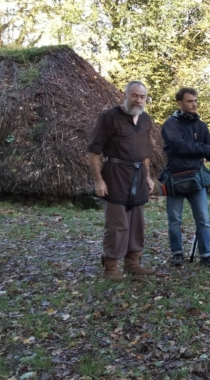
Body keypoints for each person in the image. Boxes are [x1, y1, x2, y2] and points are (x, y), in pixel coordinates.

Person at [88, 81, 156, 279]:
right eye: (134, 95)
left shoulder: (145, 119)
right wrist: (99, 181)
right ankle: (111, 266)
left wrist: (148, 176)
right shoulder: (109, 117)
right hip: (115, 174)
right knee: (117, 223)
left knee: (137, 222)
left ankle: (132, 262)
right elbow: (93, 152)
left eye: (142, 97)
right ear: (125, 96)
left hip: (138, 175)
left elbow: (145, 153)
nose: (138, 100)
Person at [160, 88, 210, 269]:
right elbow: (180, 146)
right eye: (190, 101)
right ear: (179, 103)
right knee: (175, 220)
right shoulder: (170, 125)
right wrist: (206, 150)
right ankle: (177, 254)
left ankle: (206, 255)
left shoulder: (201, 125)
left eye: (195, 100)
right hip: (175, 178)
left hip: (197, 179)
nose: (194, 104)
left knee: (203, 219)